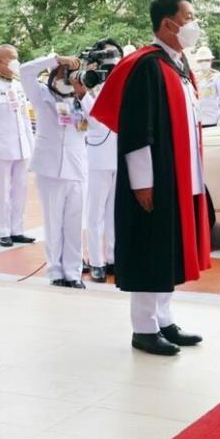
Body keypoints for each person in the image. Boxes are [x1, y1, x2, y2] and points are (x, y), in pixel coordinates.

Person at [91, 0, 210, 357]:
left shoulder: (178, 64)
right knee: (150, 248)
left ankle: (164, 318)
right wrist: (142, 181)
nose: (193, 24)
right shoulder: (148, 66)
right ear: (167, 24)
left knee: (168, 249)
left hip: (180, 174)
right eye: (188, 17)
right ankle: (144, 327)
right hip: (155, 177)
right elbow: (138, 129)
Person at [20, 51, 89, 289]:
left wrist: (82, 93)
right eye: (65, 72)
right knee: (53, 222)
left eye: (72, 73)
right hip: (49, 169)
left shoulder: (81, 100)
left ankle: (73, 272)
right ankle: (56, 272)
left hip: (76, 168)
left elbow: (93, 123)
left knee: (73, 224)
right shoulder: (42, 96)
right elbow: (25, 70)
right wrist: (57, 59)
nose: (69, 77)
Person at [0, 44, 36, 247]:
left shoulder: (18, 84)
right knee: (2, 192)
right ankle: (3, 231)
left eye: (16, 56)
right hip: (1, 149)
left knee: (20, 190)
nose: (16, 60)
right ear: (0, 61)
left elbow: (24, 118)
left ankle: (17, 229)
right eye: (12, 57)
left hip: (21, 147)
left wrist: (31, 147)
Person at [80, 39, 123, 282]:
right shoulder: (88, 85)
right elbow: (87, 116)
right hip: (97, 158)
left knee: (113, 213)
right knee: (95, 214)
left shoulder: (120, 84)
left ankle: (114, 258)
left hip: (117, 155)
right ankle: (96, 261)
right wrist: (86, 85)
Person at [194, 46, 220, 127]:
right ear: (197, 61)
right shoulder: (193, 76)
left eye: (206, 60)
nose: (203, 62)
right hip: (197, 122)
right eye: (200, 60)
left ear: (211, 61)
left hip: (213, 120)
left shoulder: (218, 76)